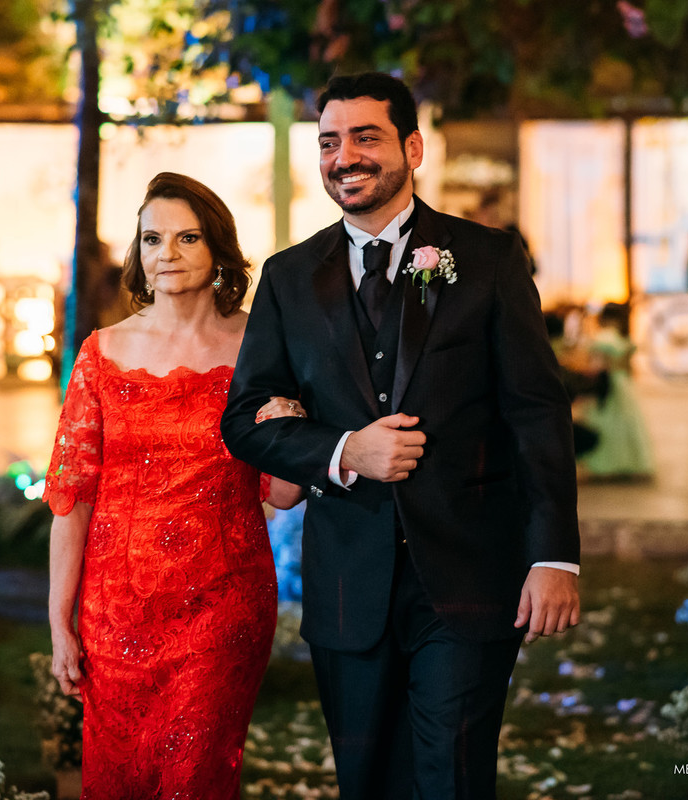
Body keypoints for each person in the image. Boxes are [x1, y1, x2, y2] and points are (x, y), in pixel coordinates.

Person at [221, 72, 581, 799]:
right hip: (347, 583)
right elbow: (243, 418)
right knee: (366, 782)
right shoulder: (289, 278)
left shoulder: (487, 260)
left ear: (412, 148)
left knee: (450, 776)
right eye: (328, 142)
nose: (343, 156)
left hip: (470, 574)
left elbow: (536, 413)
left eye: (365, 137)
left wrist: (554, 557)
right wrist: (343, 451)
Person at [43, 172, 302, 798]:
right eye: (153, 238)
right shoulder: (101, 353)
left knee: (196, 777)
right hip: (116, 612)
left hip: (224, 602)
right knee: (119, 777)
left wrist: (292, 428)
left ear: (217, 249)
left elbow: (284, 494)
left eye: (188, 238)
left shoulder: (261, 348)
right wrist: (60, 621)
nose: (168, 254)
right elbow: (71, 498)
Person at [577, 303, 654, 479]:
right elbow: (627, 368)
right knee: (626, 424)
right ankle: (628, 464)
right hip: (623, 384)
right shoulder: (621, 338)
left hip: (607, 385)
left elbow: (597, 367)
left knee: (606, 425)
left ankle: (606, 466)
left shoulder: (603, 338)